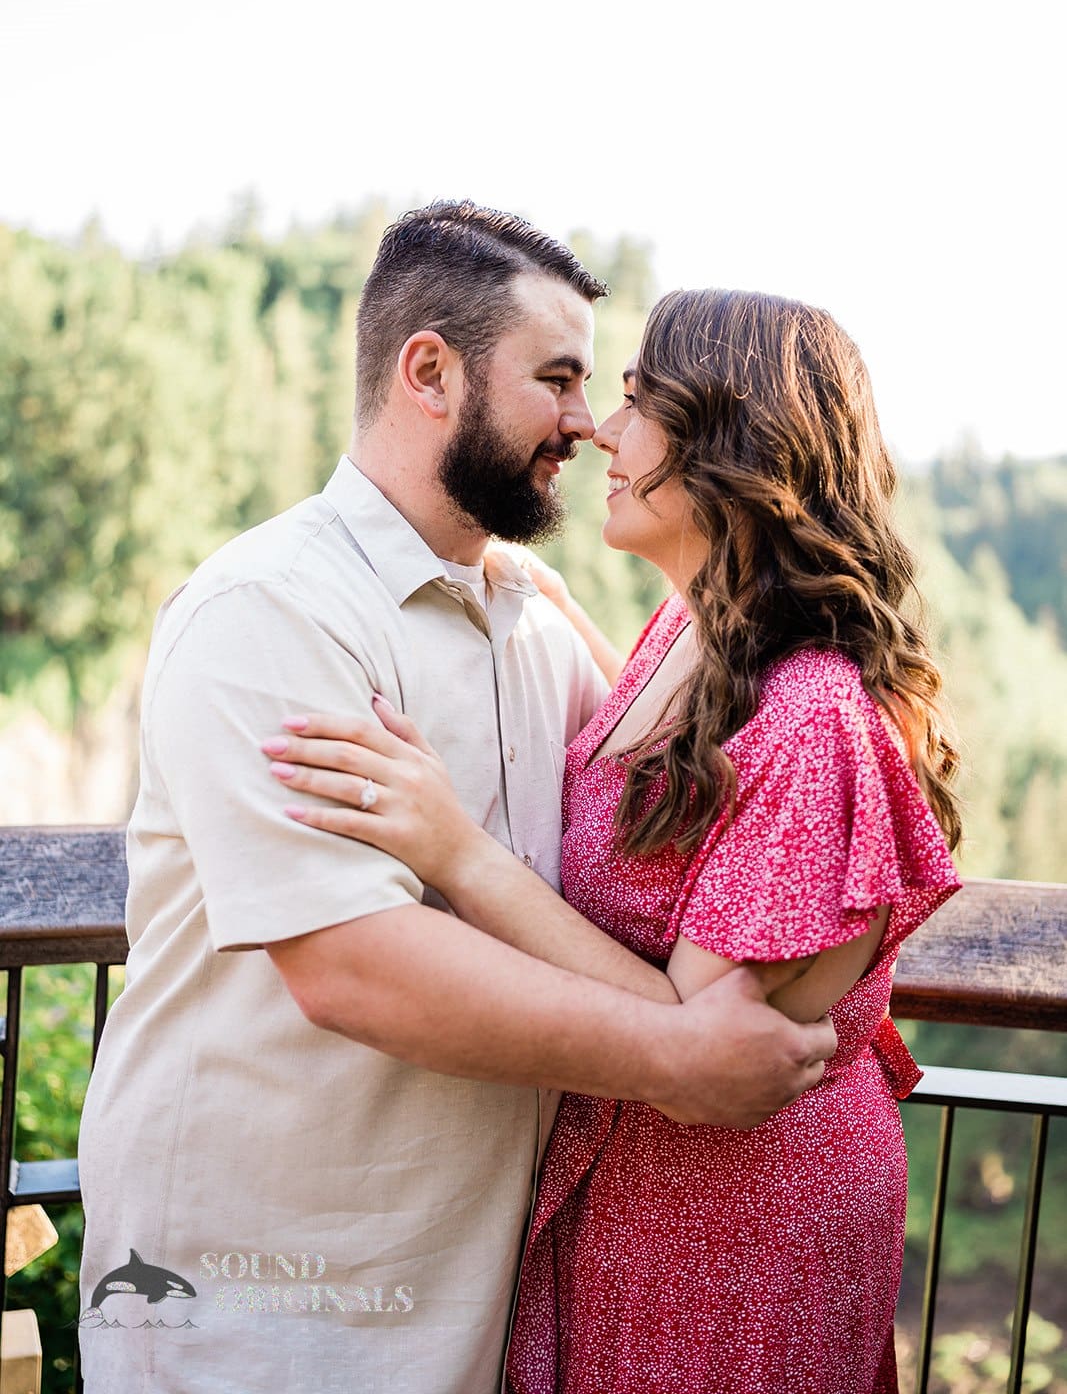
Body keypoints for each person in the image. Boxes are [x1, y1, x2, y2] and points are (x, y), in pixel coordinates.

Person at [77, 211, 836, 1394]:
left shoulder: (532, 621)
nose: (586, 425)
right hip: (263, 1311)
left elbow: (688, 805)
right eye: (557, 380)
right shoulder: (272, 612)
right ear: (428, 371)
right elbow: (350, 964)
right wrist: (677, 1057)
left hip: (468, 1308)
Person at [262, 286, 963, 1394]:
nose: (598, 429)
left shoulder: (813, 717)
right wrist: (530, 589)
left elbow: (700, 1034)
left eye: (635, 401)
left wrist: (455, 851)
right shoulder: (684, 637)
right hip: (650, 1190)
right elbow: (629, 784)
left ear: (732, 444)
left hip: (737, 1229)